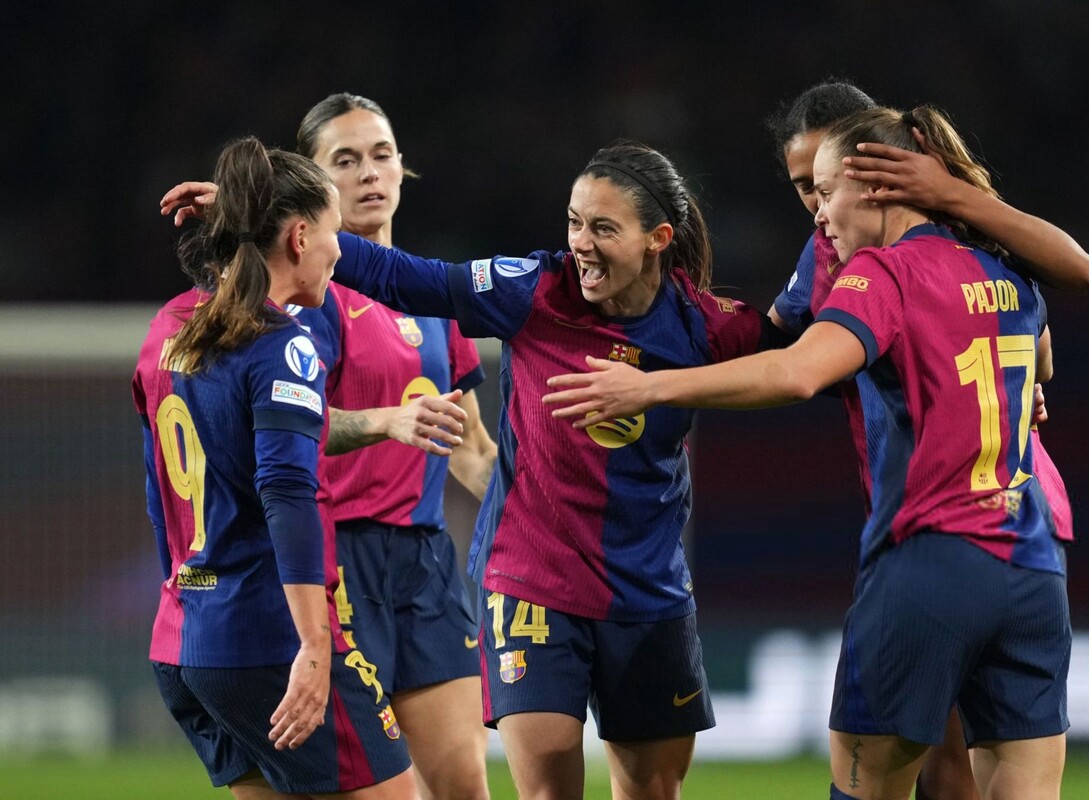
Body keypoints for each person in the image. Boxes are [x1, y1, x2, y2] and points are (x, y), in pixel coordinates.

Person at [165, 139, 787, 799]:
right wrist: (261, 215)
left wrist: (665, 384)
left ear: (657, 238)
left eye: (604, 228)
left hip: (648, 586)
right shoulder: (533, 288)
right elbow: (406, 276)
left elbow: (797, 362)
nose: (581, 243)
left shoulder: (700, 326)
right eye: (574, 222)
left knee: (652, 792)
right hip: (532, 582)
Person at [544, 107, 1074, 800]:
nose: (818, 216)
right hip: (1033, 565)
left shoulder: (883, 273)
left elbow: (797, 371)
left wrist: (648, 386)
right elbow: (1043, 358)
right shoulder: (1008, 267)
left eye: (825, 192)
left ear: (877, 186)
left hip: (930, 561)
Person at [764, 80, 1089, 800]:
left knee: (935, 768)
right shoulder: (829, 254)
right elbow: (769, 336)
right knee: (952, 764)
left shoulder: (930, 242)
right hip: (981, 529)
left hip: (950, 521)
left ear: (880, 171)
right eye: (803, 188)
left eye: (825, 182)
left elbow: (1073, 289)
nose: (817, 205)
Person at [135, 136, 413, 798]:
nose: (340, 252)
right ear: (298, 237)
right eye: (333, 233)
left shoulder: (170, 330)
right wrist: (315, 648)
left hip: (183, 637)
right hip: (267, 641)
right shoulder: (280, 347)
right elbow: (288, 495)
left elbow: (157, 492)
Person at [294, 92, 496, 800]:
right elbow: (285, 431)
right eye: (345, 160)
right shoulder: (306, 300)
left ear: (402, 167)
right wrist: (385, 420)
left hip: (425, 560)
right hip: (336, 561)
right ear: (314, 182)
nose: (368, 173)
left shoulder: (431, 293)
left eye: (381, 155)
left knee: (465, 784)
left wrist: (553, 508)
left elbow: (470, 449)